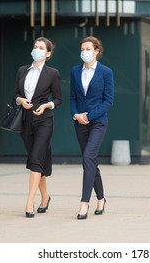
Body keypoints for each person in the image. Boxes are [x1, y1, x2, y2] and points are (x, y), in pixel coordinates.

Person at [13, 37, 62, 217]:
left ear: (48, 53)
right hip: (25, 121)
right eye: (35, 46)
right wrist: (20, 100)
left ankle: (29, 203)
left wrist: (47, 105)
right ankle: (46, 197)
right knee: (38, 161)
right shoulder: (21, 71)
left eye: (41, 48)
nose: (37, 50)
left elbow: (58, 99)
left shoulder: (52, 73)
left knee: (35, 159)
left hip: (45, 121)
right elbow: (15, 95)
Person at [70, 36, 114, 220]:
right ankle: (102, 199)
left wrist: (89, 115)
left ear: (96, 51)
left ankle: (84, 202)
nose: (84, 52)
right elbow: (72, 97)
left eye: (88, 49)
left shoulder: (106, 72)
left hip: (98, 122)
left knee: (88, 157)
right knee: (91, 162)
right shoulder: (75, 71)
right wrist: (76, 114)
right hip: (80, 122)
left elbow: (108, 100)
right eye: (82, 49)